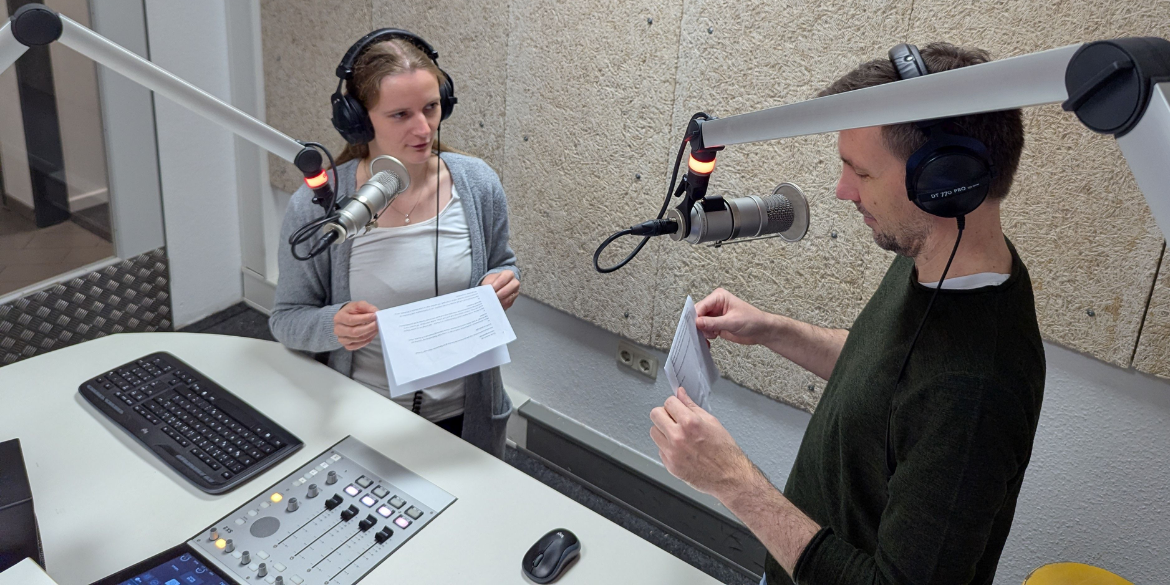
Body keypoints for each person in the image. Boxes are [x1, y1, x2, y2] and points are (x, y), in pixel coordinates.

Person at [649, 43, 1046, 585]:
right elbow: (893, 382)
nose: (841, 191)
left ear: (943, 182)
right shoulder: (933, 258)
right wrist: (771, 329)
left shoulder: (975, 392)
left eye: (861, 172)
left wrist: (732, 481)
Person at [270, 31, 520, 458]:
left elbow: (502, 262)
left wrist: (505, 282)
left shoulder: (477, 183)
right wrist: (334, 325)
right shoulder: (321, 204)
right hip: (364, 416)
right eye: (400, 114)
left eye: (431, 107)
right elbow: (286, 320)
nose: (423, 129)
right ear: (360, 121)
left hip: (467, 416)